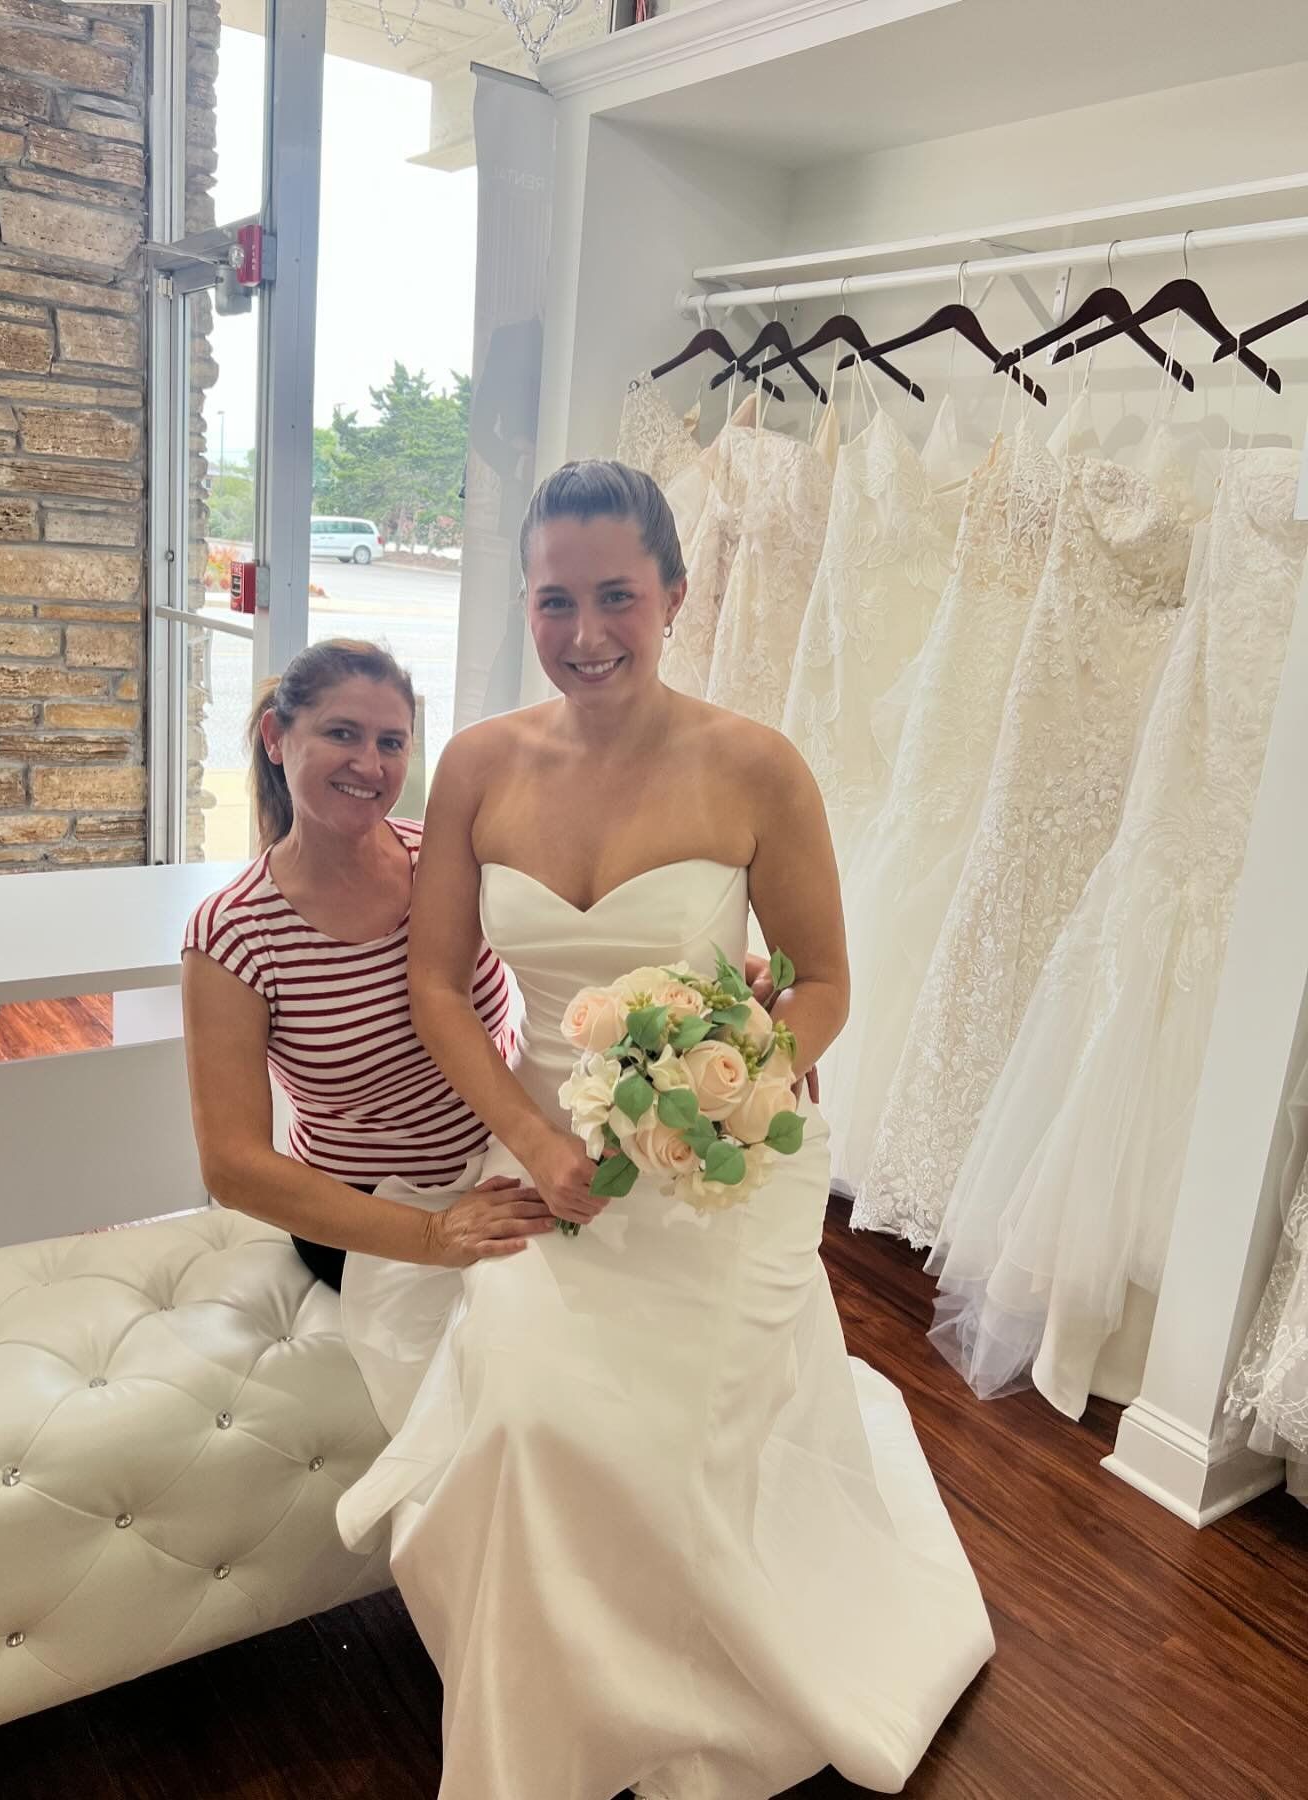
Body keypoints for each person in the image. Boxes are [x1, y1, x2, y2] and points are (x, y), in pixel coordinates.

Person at [335, 463, 995, 1798]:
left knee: (682, 1433)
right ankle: (551, 1727)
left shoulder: (757, 766)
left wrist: (733, 1076)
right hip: (542, 1144)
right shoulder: (475, 765)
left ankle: (707, 1680)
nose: (587, 635)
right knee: (526, 1416)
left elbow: (821, 984)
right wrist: (529, 1137)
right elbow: (429, 979)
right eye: (555, 600)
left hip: (717, 1162)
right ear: (522, 601)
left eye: (619, 598)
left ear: (677, 596)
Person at [180, 639, 556, 1424]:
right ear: (278, 740)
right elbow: (233, 1166)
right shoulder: (233, 934)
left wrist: (729, 982)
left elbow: (586, 927)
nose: (371, 763)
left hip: (500, 1164)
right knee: (520, 1377)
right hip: (366, 1213)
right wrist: (432, 1237)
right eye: (342, 733)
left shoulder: (443, 856)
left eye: (392, 742)